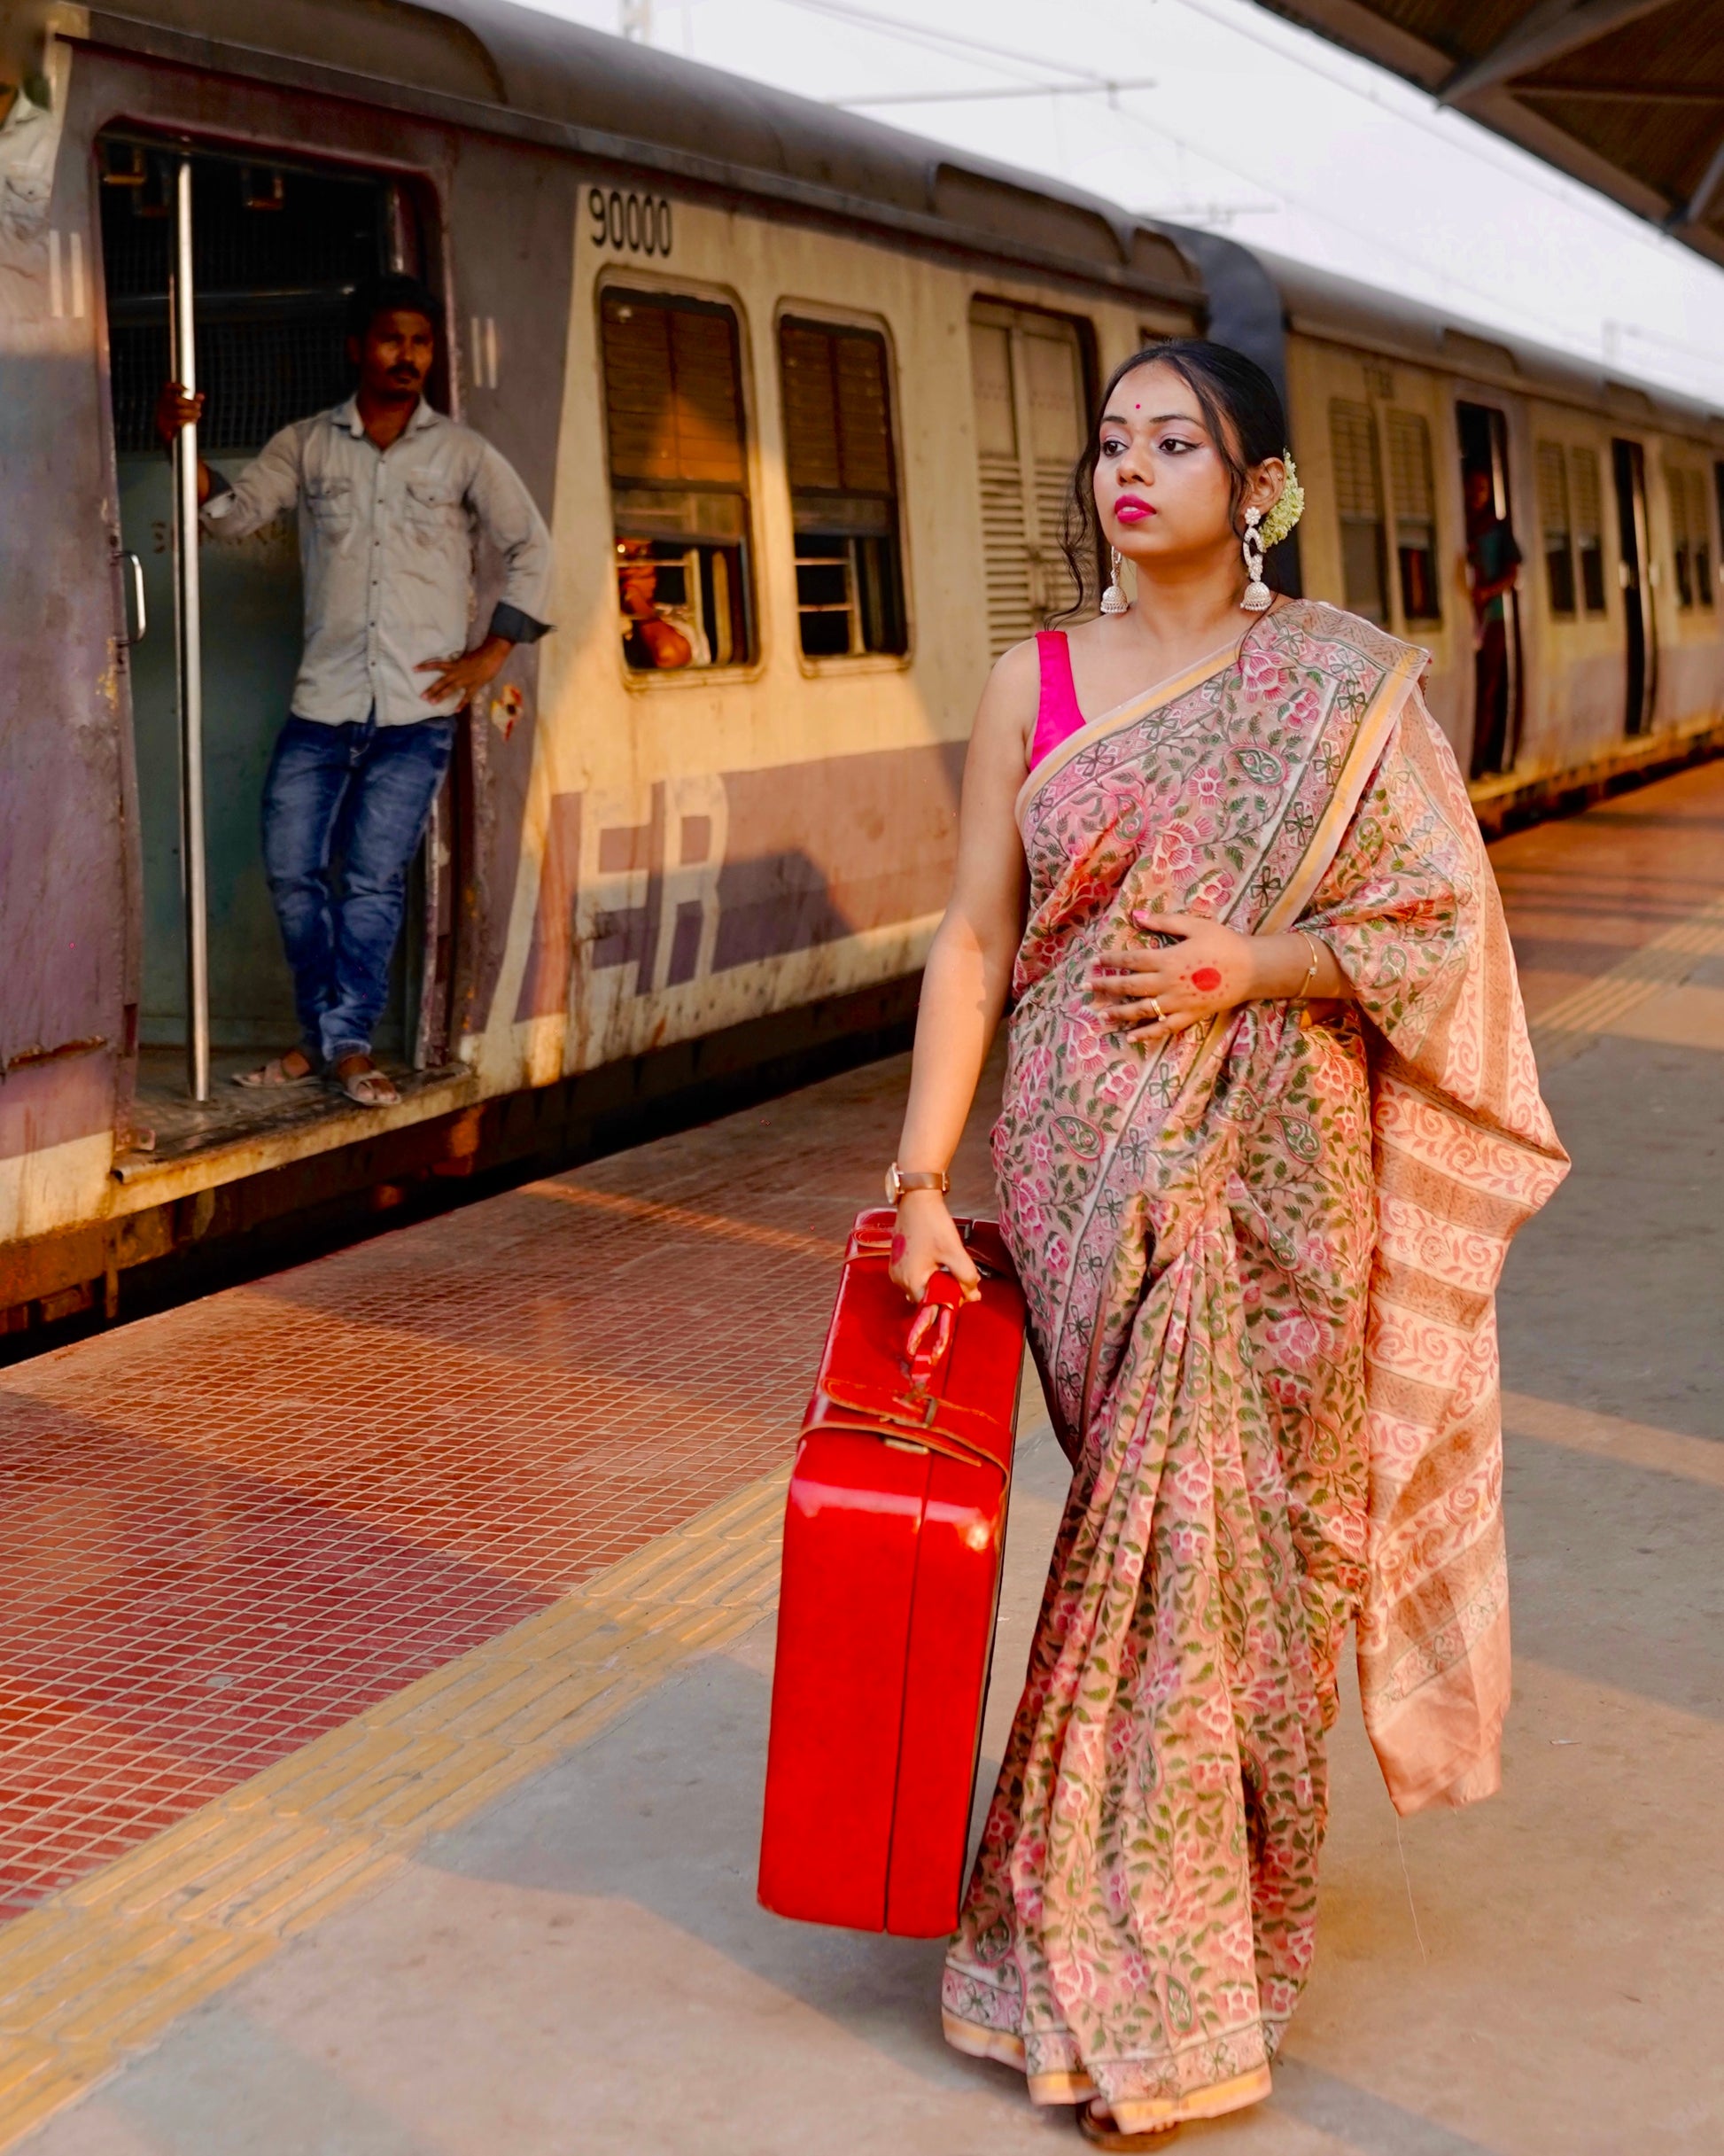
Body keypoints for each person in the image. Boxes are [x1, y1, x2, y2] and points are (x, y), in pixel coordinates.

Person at [886, 340, 1566, 2146]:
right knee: (1153, 1538)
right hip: (1087, 1160)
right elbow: (972, 939)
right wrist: (913, 1179)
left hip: (1281, 1164)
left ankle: (1201, 1944)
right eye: (1111, 440)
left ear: (1256, 486)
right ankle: (1148, 1977)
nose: (1132, 467)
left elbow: (1436, 928)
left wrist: (1250, 965)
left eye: (1176, 441)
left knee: (1254, 1560)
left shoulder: (1340, 691)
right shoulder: (1027, 681)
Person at [155, 273, 552, 1106]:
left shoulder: (463, 454)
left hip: (416, 715)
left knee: (371, 882)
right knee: (292, 870)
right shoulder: (309, 444)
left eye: (421, 342)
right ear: (356, 348)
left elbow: (533, 550)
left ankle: (344, 1045)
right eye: (391, 340)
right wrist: (180, 449)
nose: (408, 356)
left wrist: (492, 654)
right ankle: (326, 1040)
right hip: (324, 704)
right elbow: (233, 516)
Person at [1464, 466, 1521, 776]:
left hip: (1492, 619)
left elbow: (1513, 573)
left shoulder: (1497, 529)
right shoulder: (1459, 525)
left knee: (1487, 688)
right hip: (1465, 617)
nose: (1475, 494)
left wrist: (1487, 592)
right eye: (1471, 487)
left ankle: (1480, 758)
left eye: (1481, 488)